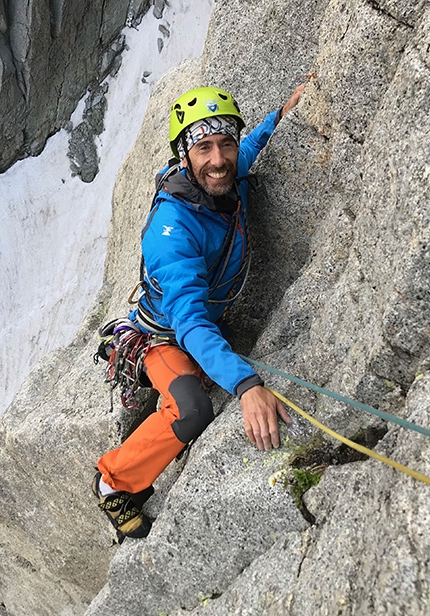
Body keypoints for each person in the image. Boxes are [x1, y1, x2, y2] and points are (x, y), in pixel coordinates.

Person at [93, 83, 308, 539]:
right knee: (191, 410)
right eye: (204, 147)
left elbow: (247, 150)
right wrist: (248, 385)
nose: (218, 159)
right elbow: (189, 321)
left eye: (224, 143)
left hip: (200, 324)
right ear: (184, 157)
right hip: (163, 336)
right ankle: (114, 481)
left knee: (201, 383)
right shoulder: (171, 229)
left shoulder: (221, 176)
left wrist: (279, 116)